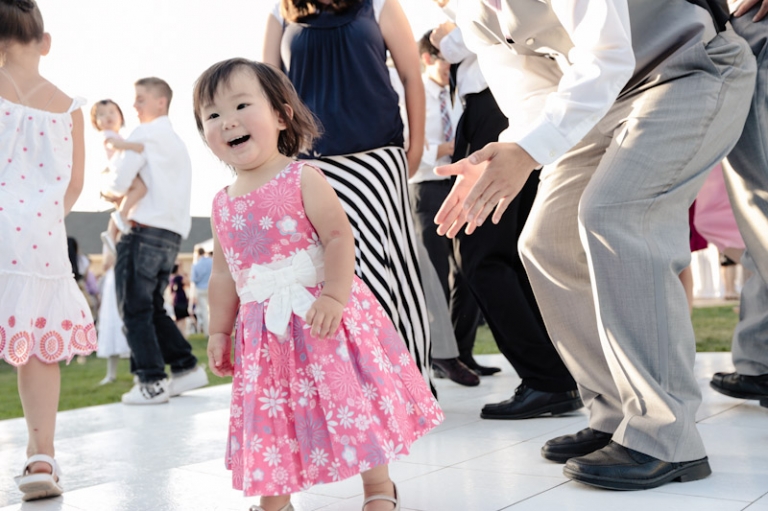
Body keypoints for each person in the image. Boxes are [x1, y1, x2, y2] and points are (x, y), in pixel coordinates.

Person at [435, 0, 755, 490]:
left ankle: (665, 435)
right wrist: (512, 150)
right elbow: (528, 93)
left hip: (691, 70)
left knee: (616, 215)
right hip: (606, 102)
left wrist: (527, 151)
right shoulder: (472, 11)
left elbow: (605, 53)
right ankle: (615, 413)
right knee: (546, 241)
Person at [194, 58, 442, 511]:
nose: (226, 121)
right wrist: (219, 330)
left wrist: (334, 294)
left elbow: (337, 237)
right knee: (274, 416)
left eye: (241, 105)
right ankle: (275, 500)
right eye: (212, 115)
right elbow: (226, 273)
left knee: (352, 401)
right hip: (265, 334)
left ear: (281, 115)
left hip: (321, 318)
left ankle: (378, 488)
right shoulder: (221, 205)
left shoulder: (302, 176)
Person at [263, 0, 434, 388]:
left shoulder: (379, 4)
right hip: (309, 166)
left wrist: (416, 147)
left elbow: (411, 76)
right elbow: (267, 91)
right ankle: (352, 386)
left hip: (376, 157)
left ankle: (409, 384)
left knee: (388, 269)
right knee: (328, 276)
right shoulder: (280, 12)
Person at [431, 2, 582, 415]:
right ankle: (557, 376)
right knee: (512, 253)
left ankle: (547, 378)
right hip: (512, 114)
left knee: (481, 254)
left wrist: (445, 33)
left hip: (500, 112)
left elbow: (457, 43)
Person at [0, 0, 97, 500]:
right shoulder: (70, 107)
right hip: (41, 239)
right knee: (36, 350)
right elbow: (75, 184)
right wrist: (39, 219)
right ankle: (42, 457)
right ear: (46, 42)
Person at [103, 76, 208, 405]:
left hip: (144, 230)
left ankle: (151, 381)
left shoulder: (145, 134)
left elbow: (119, 184)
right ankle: (186, 366)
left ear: (161, 102)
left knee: (134, 308)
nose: (133, 106)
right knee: (152, 308)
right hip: (171, 234)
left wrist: (106, 186)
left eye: (140, 99)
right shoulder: (176, 142)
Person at [408, 31, 478, 387]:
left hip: (461, 183)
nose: (451, 66)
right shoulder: (413, 93)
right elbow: (410, 145)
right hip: (426, 186)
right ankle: (435, 355)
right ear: (427, 58)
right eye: (444, 59)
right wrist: (450, 147)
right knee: (433, 272)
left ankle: (462, 352)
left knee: (468, 270)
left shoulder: (460, 91)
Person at [709, 0, 768, 409]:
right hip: (738, 32)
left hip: (754, 33)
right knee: (756, 223)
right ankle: (758, 364)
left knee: (760, 204)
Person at [89, 99, 148, 254]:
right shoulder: (108, 135)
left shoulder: (119, 136)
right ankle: (120, 218)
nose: (107, 116)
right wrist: (134, 146)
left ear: (121, 117)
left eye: (112, 112)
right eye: (101, 114)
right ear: (96, 122)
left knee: (126, 205)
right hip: (117, 174)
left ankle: (111, 233)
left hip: (118, 175)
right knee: (140, 188)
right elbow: (112, 145)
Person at [96, 242, 130, 385]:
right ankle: (111, 374)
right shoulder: (109, 239)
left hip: (125, 278)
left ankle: (137, 371)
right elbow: (106, 264)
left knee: (127, 324)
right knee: (112, 325)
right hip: (114, 282)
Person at [190, 247, 212, 335]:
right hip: (211, 288)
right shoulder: (211, 261)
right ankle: (213, 331)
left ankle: (207, 332)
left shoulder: (196, 265)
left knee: (204, 311)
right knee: (212, 310)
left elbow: (193, 279)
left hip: (201, 289)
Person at [170, 263, 190, 336]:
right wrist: (185, 275)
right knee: (182, 320)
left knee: (178, 319)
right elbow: (188, 283)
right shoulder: (179, 278)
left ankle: (179, 334)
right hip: (181, 300)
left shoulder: (171, 278)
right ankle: (181, 335)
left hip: (175, 300)